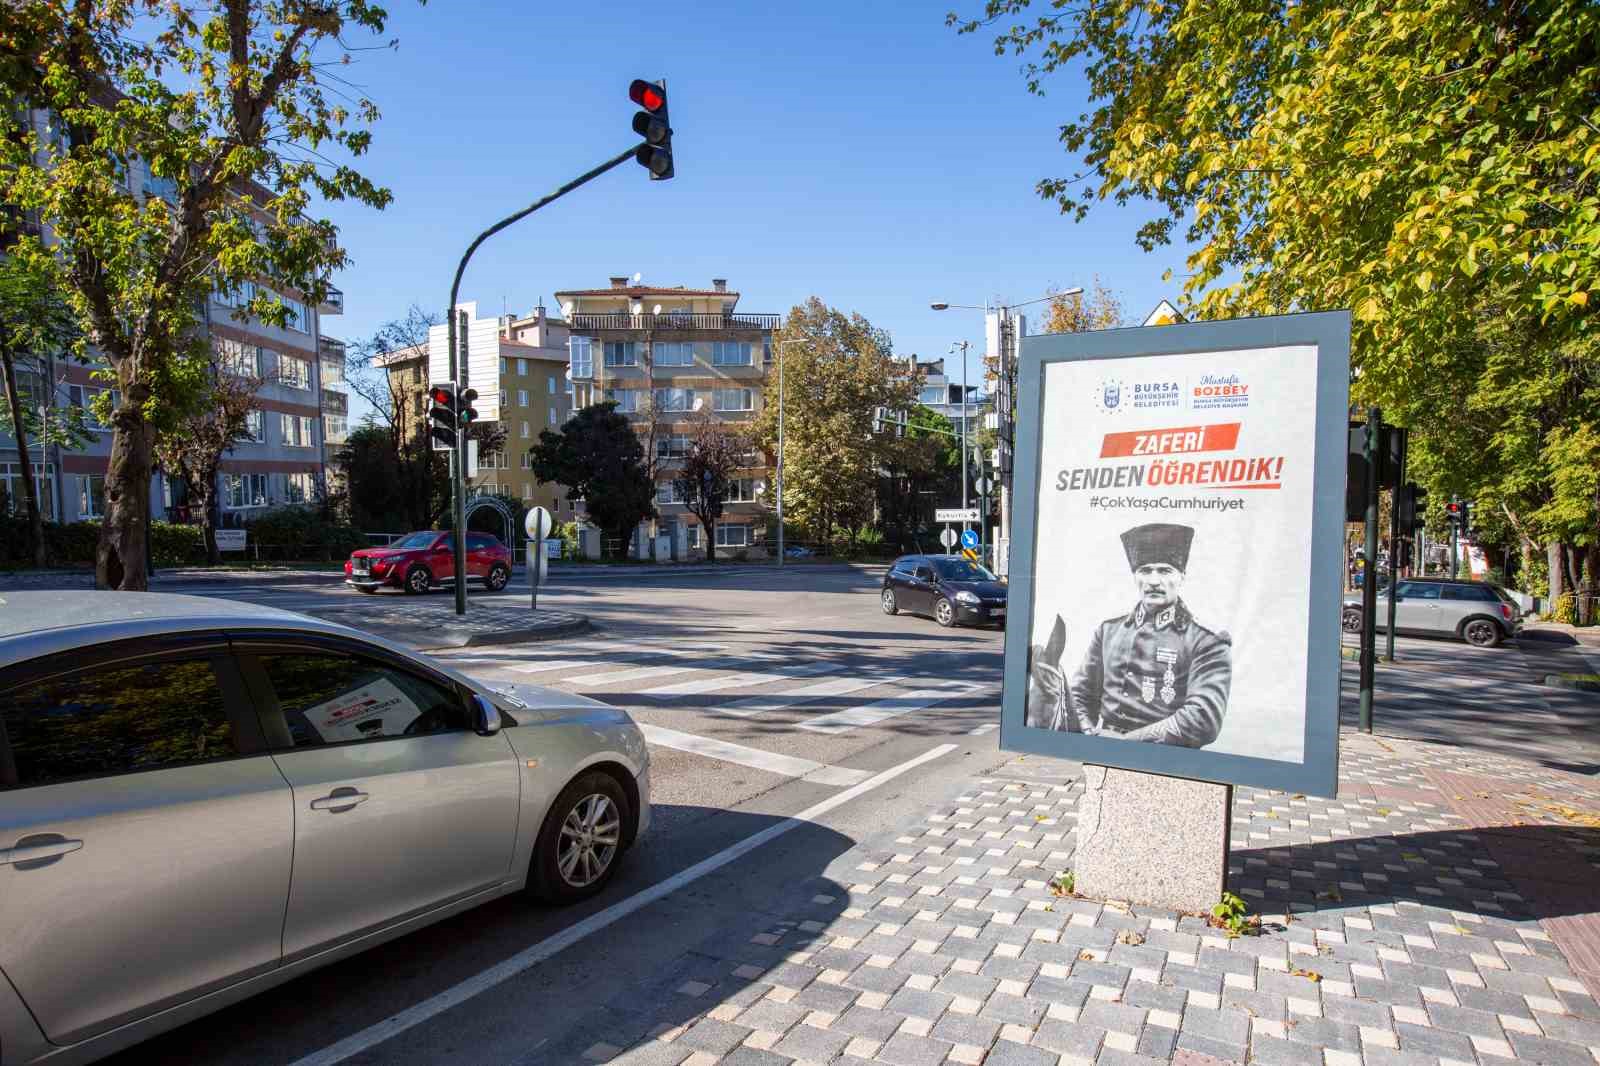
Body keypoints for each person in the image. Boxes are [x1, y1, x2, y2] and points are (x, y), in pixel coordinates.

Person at [1029, 522, 1232, 747]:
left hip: (1169, 755)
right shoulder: (1109, 630)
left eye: (1165, 570)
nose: (1154, 581)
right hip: (1103, 746)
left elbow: (1203, 718)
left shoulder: (1207, 641)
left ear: (1181, 576)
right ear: (1135, 576)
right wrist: (1087, 730)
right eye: (1145, 571)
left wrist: (1126, 741)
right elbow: (1081, 693)